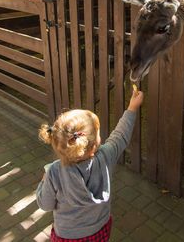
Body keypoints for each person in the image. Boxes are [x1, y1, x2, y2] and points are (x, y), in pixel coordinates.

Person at [36, 88, 144, 241]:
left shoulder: (54, 172)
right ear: (93, 147)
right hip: (100, 230)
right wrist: (132, 107)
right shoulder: (105, 157)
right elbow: (120, 136)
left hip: (67, 236)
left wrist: (43, 182)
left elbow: (45, 204)